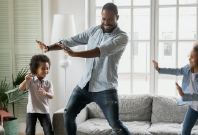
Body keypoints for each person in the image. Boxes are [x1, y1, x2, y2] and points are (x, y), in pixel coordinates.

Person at [35, 3, 130, 135]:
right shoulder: (94, 31)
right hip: (85, 85)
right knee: (68, 114)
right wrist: (48, 48)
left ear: (117, 17)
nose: (106, 22)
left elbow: (100, 51)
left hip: (105, 88)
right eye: (103, 19)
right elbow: (70, 41)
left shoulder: (121, 37)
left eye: (110, 19)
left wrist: (75, 54)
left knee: (116, 125)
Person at [152, 39, 198, 135]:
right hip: (193, 107)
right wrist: (159, 69)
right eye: (189, 56)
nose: (189, 59)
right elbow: (176, 71)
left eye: (192, 57)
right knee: (185, 131)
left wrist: (184, 95)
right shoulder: (187, 69)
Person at [19, 54, 54, 135]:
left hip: (44, 110)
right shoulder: (30, 81)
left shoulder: (49, 83)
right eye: (43, 68)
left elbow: (52, 96)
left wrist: (45, 93)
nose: (46, 71)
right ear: (35, 69)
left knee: (49, 132)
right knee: (29, 132)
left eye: (47, 68)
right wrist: (25, 81)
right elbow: (21, 88)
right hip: (32, 110)